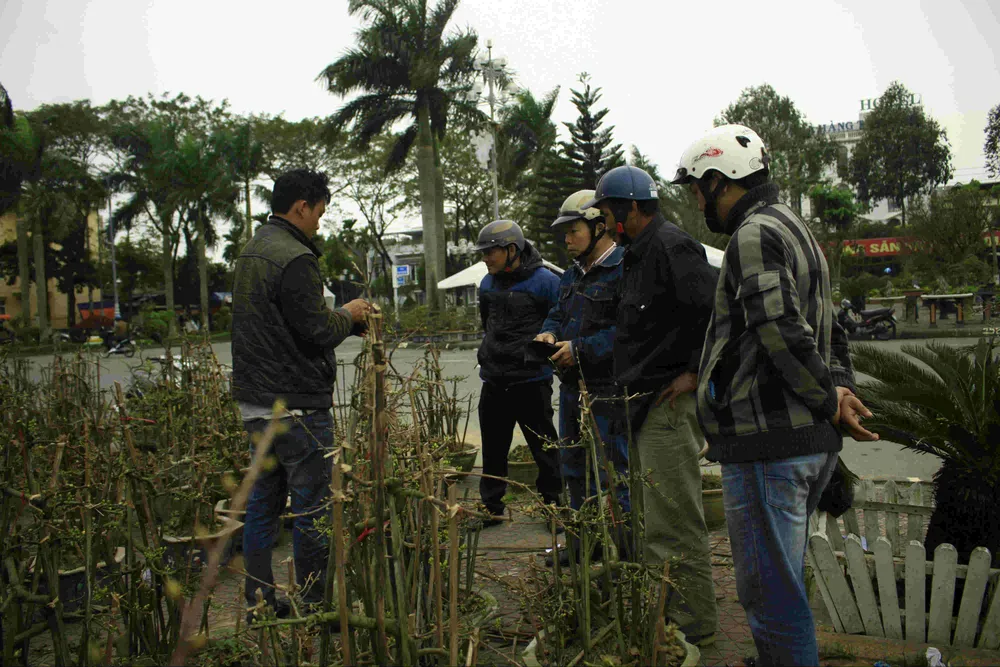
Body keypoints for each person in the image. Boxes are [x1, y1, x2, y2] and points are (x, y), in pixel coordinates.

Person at [671, 124, 878, 666]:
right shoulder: (795, 228)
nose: (697, 203)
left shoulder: (753, 234)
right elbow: (831, 327)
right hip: (802, 441)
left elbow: (780, 327)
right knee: (783, 583)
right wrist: (839, 389)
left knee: (771, 596)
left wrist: (831, 399)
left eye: (697, 189)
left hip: (771, 443)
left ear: (719, 180)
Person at [582, 165, 720, 645]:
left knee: (674, 523)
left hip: (667, 406)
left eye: (608, 210)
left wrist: (695, 373)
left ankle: (693, 627)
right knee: (654, 522)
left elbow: (715, 314)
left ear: (632, 207)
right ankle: (670, 615)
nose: (604, 220)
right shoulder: (636, 254)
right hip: (641, 405)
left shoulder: (672, 247)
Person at [231, 169, 370, 622]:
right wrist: (348, 314)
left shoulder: (252, 250)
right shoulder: (295, 257)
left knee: (262, 508)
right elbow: (316, 330)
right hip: (298, 406)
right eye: (319, 214)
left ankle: (260, 603)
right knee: (312, 510)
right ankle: (314, 605)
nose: (318, 224)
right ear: (302, 207)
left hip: (256, 405)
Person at [534, 190, 629, 565]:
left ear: (599, 226)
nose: (567, 240)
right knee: (572, 467)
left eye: (573, 231)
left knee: (613, 472)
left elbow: (627, 331)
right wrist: (548, 333)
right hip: (573, 388)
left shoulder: (624, 269)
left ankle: (621, 549)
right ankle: (581, 543)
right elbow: (557, 314)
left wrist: (581, 349)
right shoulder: (572, 274)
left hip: (608, 391)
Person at [475, 219, 562, 525]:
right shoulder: (487, 283)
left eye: (490, 252)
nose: (485, 258)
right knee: (493, 448)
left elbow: (559, 322)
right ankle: (491, 507)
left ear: (512, 249)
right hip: (494, 380)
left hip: (531, 381)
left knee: (545, 447)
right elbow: (487, 322)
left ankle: (555, 507)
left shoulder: (546, 282)